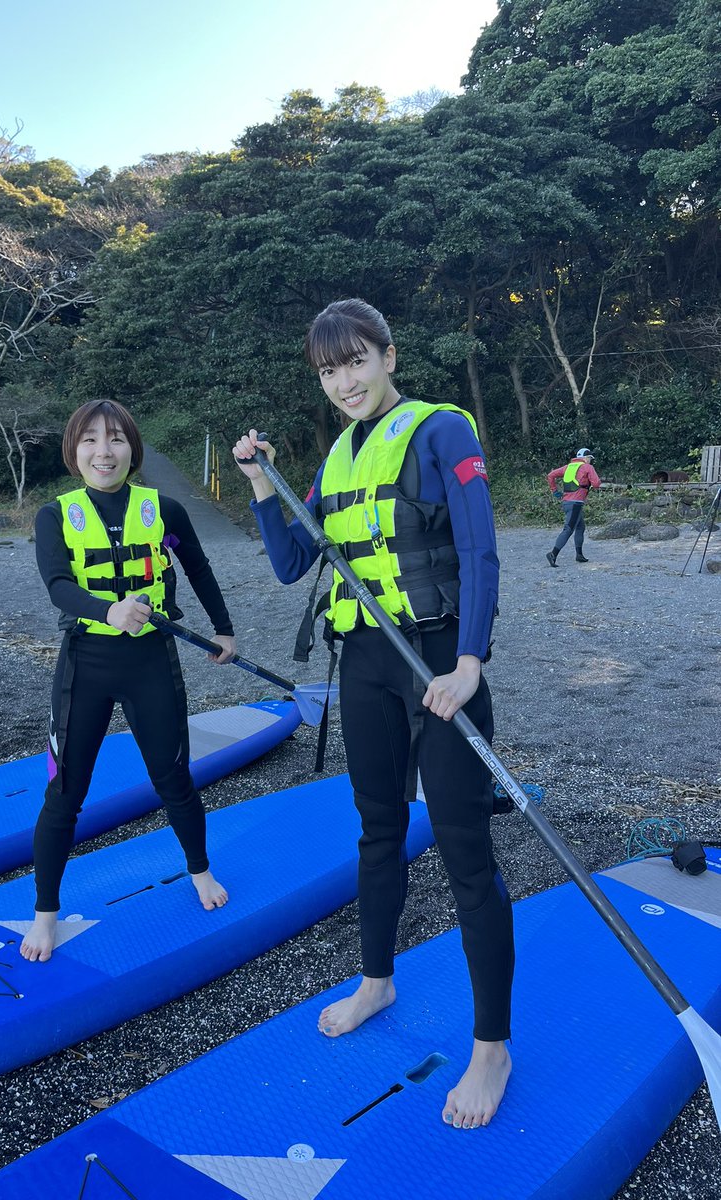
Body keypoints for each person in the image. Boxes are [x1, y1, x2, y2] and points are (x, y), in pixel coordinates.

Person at [232, 298, 514, 1131]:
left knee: (465, 852)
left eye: (356, 360)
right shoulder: (336, 459)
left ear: (388, 356)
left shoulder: (440, 431)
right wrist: (260, 484)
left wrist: (469, 663)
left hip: (439, 661)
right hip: (364, 664)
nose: (345, 381)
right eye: (329, 370)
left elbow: (480, 550)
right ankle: (376, 980)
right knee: (378, 831)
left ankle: (492, 1048)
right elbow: (292, 563)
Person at [22, 398, 236, 964]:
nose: (104, 451)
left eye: (116, 439)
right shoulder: (54, 516)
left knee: (174, 779)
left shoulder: (164, 509)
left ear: (132, 450)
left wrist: (224, 630)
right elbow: (58, 586)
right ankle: (45, 912)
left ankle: (199, 871)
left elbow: (198, 567)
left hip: (151, 663)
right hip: (85, 666)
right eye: (90, 439)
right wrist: (108, 610)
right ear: (74, 451)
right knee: (64, 794)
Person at [546, 448, 601, 566]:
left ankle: (579, 555)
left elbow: (550, 475)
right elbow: (596, 484)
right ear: (585, 458)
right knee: (568, 529)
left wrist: (555, 491)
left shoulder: (568, 467)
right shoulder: (587, 467)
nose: (590, 461)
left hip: (567, 502)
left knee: (580, 527)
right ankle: (553, 554)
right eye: (590, 458)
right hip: (576, 503)